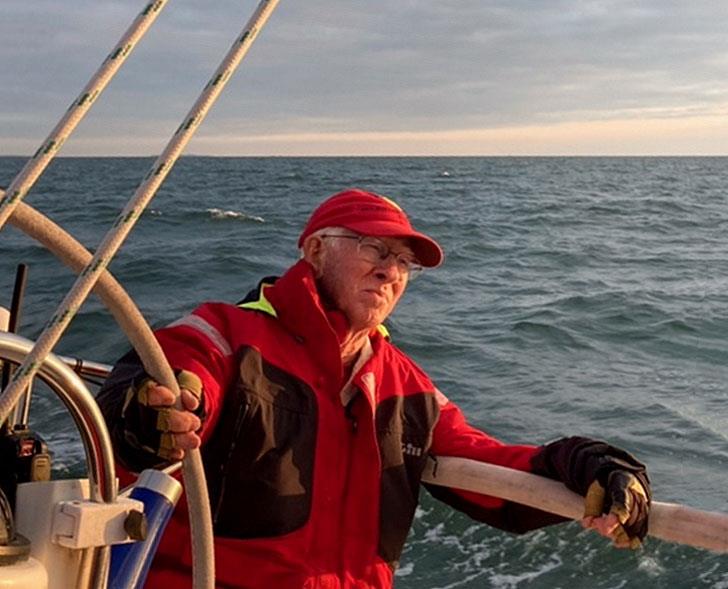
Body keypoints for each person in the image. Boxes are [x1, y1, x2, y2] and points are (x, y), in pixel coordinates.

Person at [97, 188, 651, 588]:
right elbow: (165, 387)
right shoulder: (223, 337)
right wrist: (152, 415)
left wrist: (585, 463)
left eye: (404, 262)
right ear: (315, 250)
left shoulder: (403, 384)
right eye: (374, 250)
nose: (392, 271)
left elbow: (491, 472)